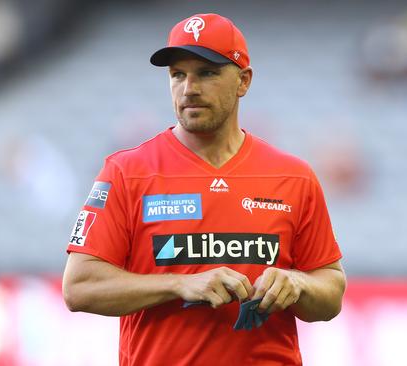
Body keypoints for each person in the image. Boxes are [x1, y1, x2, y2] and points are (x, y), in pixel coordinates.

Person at [62, 13, 346, 366]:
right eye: (178, 74)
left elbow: (331, 291)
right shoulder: (125, 172)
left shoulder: (294, 177)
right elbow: (79, 288)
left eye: (207, 73)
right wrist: (178, 284)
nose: (189, 88)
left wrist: (298, 284)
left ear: (243, 81)